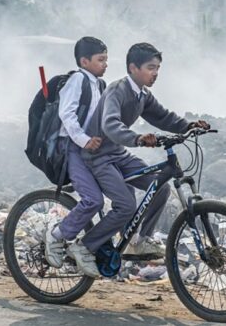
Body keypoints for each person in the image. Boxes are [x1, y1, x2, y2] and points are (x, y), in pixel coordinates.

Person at [75, 42, 210, 277]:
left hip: (117, 154)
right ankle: (84, 246)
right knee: (126, 206)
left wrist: (189, 126)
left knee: (160, 187)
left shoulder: (143, 95)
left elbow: (163, 117)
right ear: (133, 68)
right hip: (98, 157)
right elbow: (110, 125)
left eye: (157, 68)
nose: (155, 73)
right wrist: (138, 139)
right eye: (150, 67)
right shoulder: (117, 90)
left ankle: (140, 240)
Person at [44, 37, 108, 278]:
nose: (105, 64)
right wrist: (84, 140)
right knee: (93, 200)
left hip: (93, 150)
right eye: (100, 60)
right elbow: (67, 115)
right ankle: (57, 235)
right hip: (73, 148)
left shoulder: (100, 85)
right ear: (84, 61)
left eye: (106, 60)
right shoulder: (77, 80)